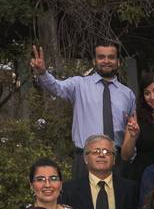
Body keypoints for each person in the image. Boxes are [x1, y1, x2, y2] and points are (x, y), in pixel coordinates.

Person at [30, 43, 136, 178]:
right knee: (82, 199)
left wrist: (131, 156)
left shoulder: (128, 94)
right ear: (94, 61)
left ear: (118, 62)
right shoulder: (79, 85)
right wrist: (42, 73)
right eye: (101, 57)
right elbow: (57, 87)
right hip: (85, 160)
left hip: (117, 161)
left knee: (118, 199)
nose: (106, 61)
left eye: (111, 57)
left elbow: (131, 129)